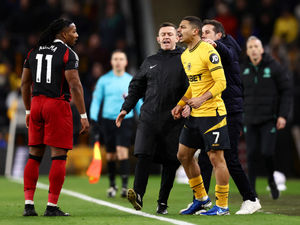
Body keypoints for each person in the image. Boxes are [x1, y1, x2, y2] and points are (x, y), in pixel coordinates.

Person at [184, 19, 261, 214]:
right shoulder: (203, 52)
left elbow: (229, 54)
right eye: (202, 33)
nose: (204, 36)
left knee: (229, 157)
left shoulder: (227, 47)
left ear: (219, 34)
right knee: (204, 158)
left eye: (208, 32)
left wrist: (215, 45)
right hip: (210, 111)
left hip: (229, 110)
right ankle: (200, 200)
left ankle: (250, 199)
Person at [115, 22, 188, 214]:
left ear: (177, 38)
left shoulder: (186, 59)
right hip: (149, 117)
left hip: (174, 119)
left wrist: (188, 106)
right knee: (143, 154)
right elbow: (136, 86)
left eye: (169, 34)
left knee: (171, 162)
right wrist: (125, 108)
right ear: (157, 39)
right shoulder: (149, 61)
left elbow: (193, 87)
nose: (166, 37)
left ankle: (162, 203)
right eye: (162, 34)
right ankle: (138, 194)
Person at [21, 18, 89, 217]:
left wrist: (27, 110)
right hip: (56, 104)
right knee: (58, 157)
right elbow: (75, 85)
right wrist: (83, 115)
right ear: (63, 34)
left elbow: (25, 84)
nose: (76, 35)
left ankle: (28, 205)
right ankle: (51, 206)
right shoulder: (68, 53)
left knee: (34, 156)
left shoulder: (33, 51)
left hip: (36, 105)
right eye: (73, 31)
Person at [171, 16, 230, 216]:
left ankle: (222, 205)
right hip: (195, 114)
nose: (178, 30)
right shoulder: (185, 55)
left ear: (195, 31)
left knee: (216, 158)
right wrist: (181, 104)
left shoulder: (209, 51)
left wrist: (202, 99)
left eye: (182, 27)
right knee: (183, 155)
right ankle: (201, 199)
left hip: (212, 113)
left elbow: (221, 83)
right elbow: (193, 85)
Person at [241, 36, 291, 200]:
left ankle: (271, 180)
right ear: (247, 51)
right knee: (251, 154)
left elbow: (286, 91)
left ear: (262, 49)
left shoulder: (274, 67)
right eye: (251, 47)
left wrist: (283, 115)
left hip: (269, 119)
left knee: (267, 152)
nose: (254, 49)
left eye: (256, 46)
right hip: (250, 119)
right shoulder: (243, 69)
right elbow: (239, 95)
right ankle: (251, 192)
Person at [89, 50, 142, 198]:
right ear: (112, 62)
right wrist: (93, 118)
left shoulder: (131, 80)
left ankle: (125, 186)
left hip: (125, 120)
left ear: (125, 62)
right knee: (111, 155)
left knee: (122, 151)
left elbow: (136, 99)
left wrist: (143, 114)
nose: (118, 61)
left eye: (121, 59)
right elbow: (97, 100)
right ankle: (112, 185)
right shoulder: (104, 80)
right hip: (107, 121)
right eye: (115, 59)